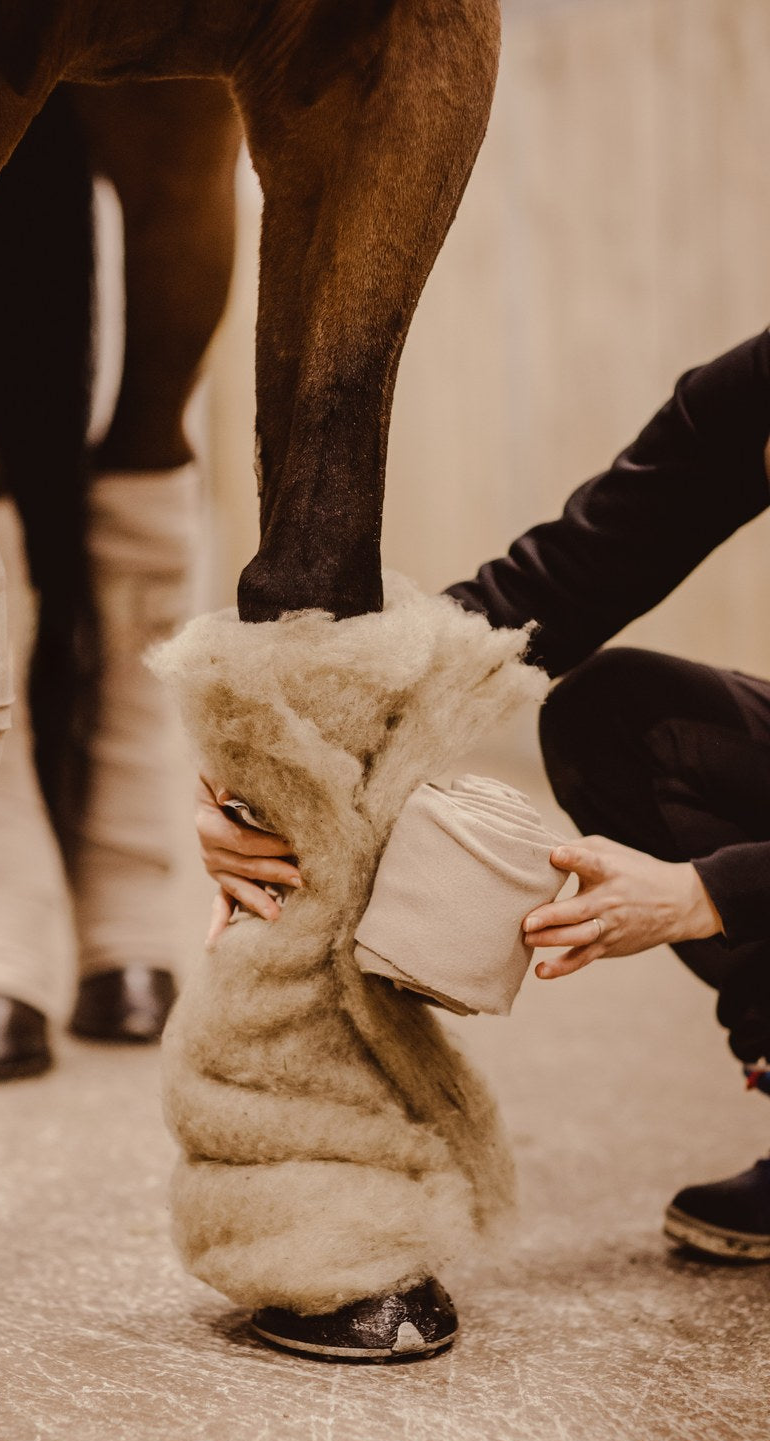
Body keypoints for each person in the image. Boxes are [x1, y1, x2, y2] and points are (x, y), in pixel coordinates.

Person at [196, 327, 770, 1264]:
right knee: (613, 715)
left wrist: (712, 894)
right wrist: (270, 750)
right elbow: (555, 586)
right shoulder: (754, 390)